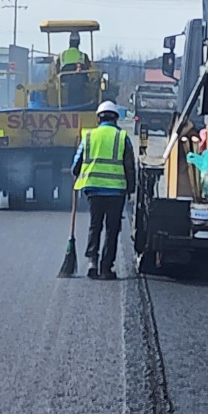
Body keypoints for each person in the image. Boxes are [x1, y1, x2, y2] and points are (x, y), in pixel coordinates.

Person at [72, 101, 136, 280]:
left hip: (93, 190)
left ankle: (92, 262)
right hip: (116, 191)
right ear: (116, 118)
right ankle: (106, 268)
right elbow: (130, 166)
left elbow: (76, 163)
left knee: (95, 225)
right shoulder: (122, 137)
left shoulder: (89, 136)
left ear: (99, 118)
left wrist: (76, 173)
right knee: (112, 229)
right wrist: (131, 189)